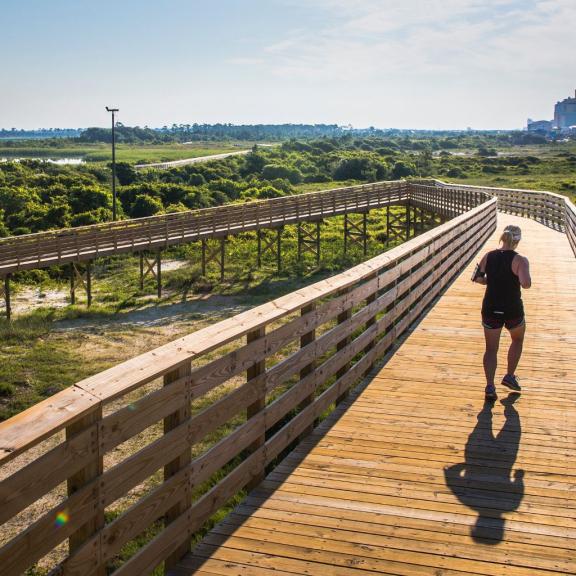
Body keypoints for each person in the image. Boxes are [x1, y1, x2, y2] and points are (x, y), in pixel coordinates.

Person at [473, 225, 531, 401]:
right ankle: (509, 375)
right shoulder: (520, 260)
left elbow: (477, 278)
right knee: (517, 339)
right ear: (517, 240)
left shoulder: (488, 256)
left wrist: (491, 280)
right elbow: (526, 283)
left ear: (502, 237)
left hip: (491, 307)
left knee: (491, 349)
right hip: (512, 308)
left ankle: (490, 386)